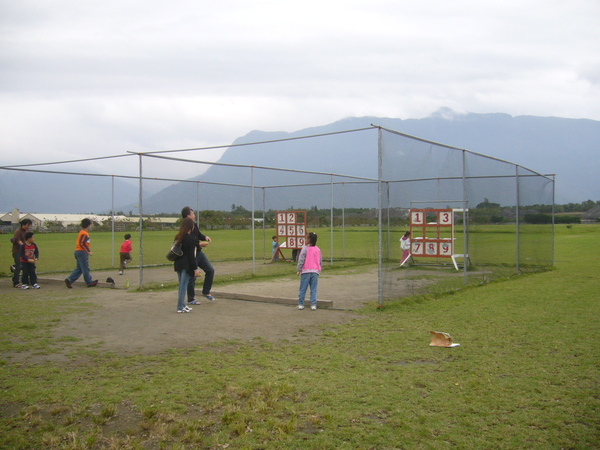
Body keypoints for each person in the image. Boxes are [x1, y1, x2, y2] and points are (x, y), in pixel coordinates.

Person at [181, 206, 215, 304]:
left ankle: (206, 292)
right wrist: (199, 244)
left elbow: (198, 235)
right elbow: (187, 242)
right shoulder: (185, 228)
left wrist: (205, 237)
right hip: (192, 255)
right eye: (193, 214)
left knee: (210, 270)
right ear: (188, 216)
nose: (194, 215)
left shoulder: (194, 225)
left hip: (199, 253)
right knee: (192, 277)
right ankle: (191, 299)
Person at [173, 217, 201, 313]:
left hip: (178, 264)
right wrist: (195, 268)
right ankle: (180, 306)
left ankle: (183, 305)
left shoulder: (178, 236)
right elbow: (191, 256)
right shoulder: (190, 239)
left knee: (181, 285)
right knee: (183, 286)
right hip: (186, 265)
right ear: (191, 227)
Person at [65, 218, 98, 288]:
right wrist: (88, 251)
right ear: (88, 225)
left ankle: (69, 280)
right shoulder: (84, 233)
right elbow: (82, 243)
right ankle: (89, 282)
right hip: (81, 252)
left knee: (79, 268)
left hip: (78, 251)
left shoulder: (82, 232)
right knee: (85, 268)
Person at [296, 232, 322, 310]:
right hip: (315, 271)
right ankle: (313, 304)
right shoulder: (318, 249)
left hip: (306, 271)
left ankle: (301, 303)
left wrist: (299, 269)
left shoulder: (305, 248)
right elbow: (320, 260)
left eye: (306, 238)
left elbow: (301, 259)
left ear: (309, 239)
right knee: (313, 289)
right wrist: (319, 269)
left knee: (303, 288)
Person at [11, 219, 32, 288]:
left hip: (25, 252)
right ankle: (16, 282)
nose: (29, 226)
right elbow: (18, 241)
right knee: (19, 266)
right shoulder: (18, 232)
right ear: (23, 225)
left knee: (26, 266)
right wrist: (25, 247)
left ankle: (25, 280)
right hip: (17, 251)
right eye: (28, 225)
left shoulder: (26, 232)